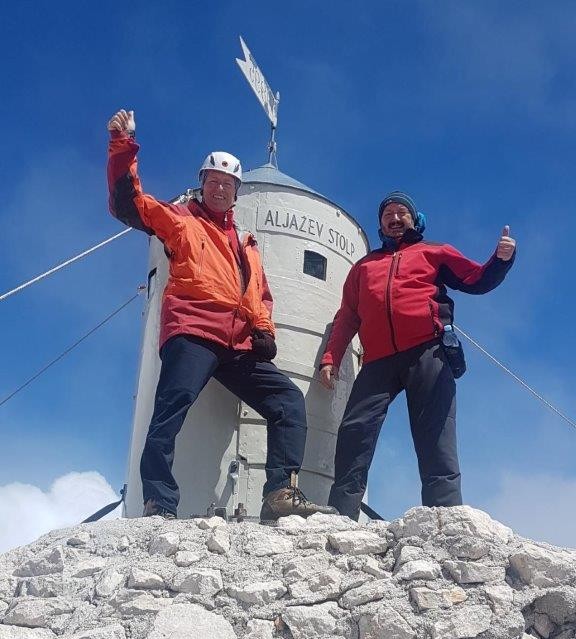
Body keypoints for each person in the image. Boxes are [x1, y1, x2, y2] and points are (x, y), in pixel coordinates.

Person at [107, 109, 335, 522]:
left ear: (236, 192)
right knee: (170, 409)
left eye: (227, 184)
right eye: (213, 181)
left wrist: (264, 330)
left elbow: (259, 295)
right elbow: (130, 204)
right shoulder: (181, 220)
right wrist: (123, 146)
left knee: (287, 401)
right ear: (202, 184)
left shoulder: (246, 243)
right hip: (193, 330)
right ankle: (158, 500)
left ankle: (279, 493)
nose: (219, 189)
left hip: (237, 343)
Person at [320, 191, 516, 519]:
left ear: (414, 220)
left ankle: (444, 517)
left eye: (402, 213)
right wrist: (331, 358)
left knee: (435, 430)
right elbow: (347, 317)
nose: (395, 219)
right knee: (355, 429)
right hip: (377, 360)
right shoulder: (363, 267)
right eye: (388, 215)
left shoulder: (435, 252)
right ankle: (341, 514)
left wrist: (501, 260)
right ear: (381, 224)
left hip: (427, 350)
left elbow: (475, 280)